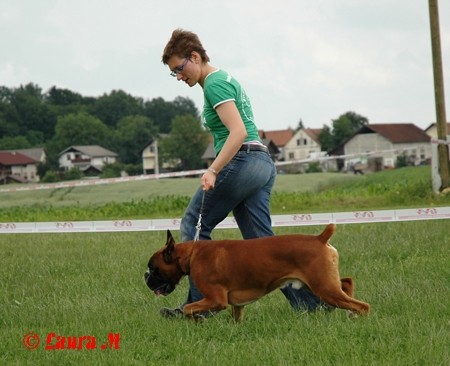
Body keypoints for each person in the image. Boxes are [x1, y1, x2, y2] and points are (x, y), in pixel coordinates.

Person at [159, 28, 330, 318]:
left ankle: (200, 308)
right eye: (173, 72)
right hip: (261, 163)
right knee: (263, 246)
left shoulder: (214, 84)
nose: (178, 76)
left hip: (245, 160)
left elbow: (237, 133)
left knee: (193, 226)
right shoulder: (224, 79)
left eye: (179, 68)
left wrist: (213, 169)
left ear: (195, 57)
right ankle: (313, 307)